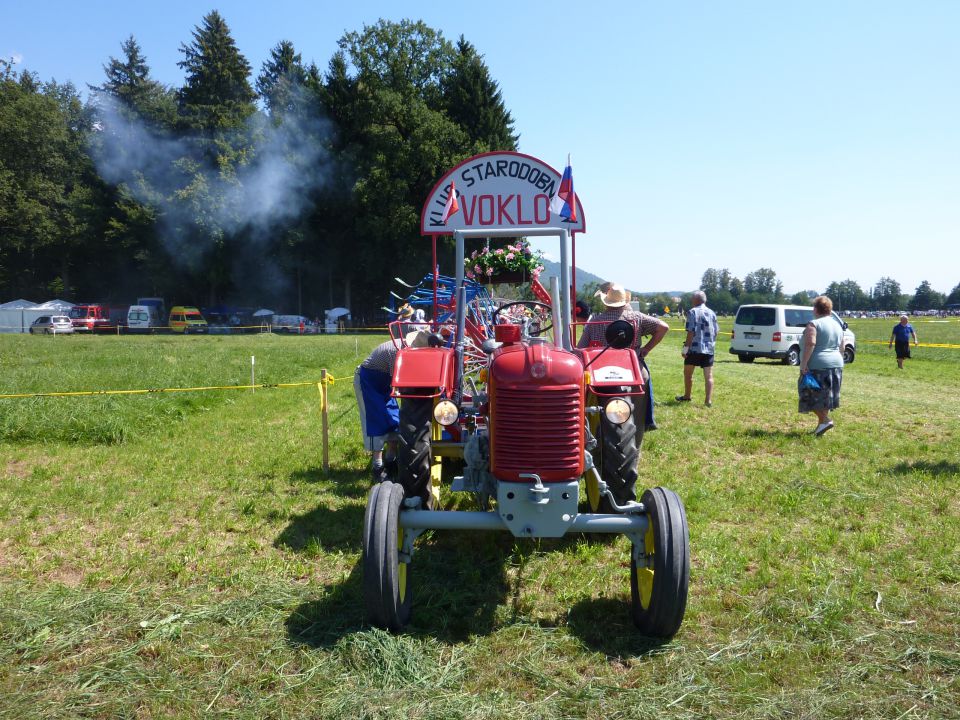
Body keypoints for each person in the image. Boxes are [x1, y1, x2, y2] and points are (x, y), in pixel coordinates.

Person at [577, 281, 669, 431]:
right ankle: (645, 423)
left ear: (606, 302)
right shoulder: (637, 317)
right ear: (624, 301)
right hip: (633, 369)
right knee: (644, 379)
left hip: (600, 371)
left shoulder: (595, 321)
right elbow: (664, 327)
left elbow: (581, 348)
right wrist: (646, 349)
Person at [354, 330, 432, 481]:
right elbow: (399, 382)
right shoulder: (397, 352)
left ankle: (391, 460)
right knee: (375, 421)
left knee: (394, 419)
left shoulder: (403, 349)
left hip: (384, 383)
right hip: (368, 381)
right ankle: (377, 467)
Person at [798, 295, 846, 436]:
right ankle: (821, 427)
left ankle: (825, 420)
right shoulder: (837, 325)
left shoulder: (813, 324)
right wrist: (839, 361)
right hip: (836, 365)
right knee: (825, 398)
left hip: (818, 365)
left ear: (815, 309)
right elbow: (842, 347)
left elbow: (810, 343)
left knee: (807, 394)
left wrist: (804, 364)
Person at [676, 290, 720, 406]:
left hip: (694, 349)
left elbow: (690, 333)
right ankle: (708, 401)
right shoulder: (712, 313)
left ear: (696, 300)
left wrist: (685, 350)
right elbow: (716, 331)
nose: (691, 301)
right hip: (709, 349)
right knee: (709, 376)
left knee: (688, 374)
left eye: (692, 299)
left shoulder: (692, 312)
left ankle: (687, 396)